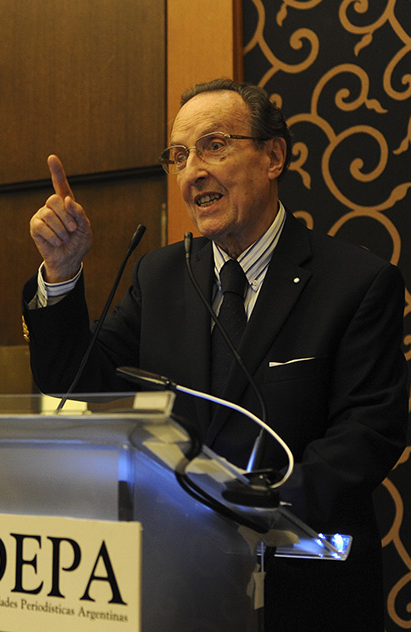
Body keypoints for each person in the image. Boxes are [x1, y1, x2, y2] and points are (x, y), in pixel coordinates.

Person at [22, 78, 408, 630]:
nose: (192, 171)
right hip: (179, 591)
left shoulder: (356, 282)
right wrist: (61, 276)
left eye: (214, 146)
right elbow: (77, 379)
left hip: (307, 596)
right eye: (179, 156)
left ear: (273, 156)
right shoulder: (160, 275)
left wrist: (247, 507)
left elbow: (369, 434)